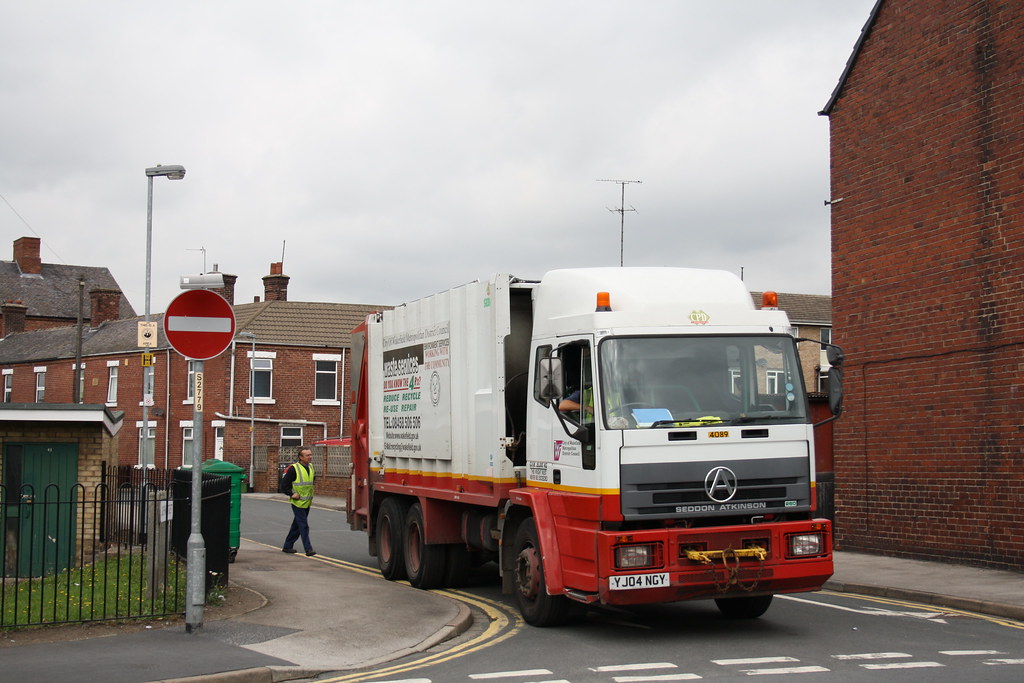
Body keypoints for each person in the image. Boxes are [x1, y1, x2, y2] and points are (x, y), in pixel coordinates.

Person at [281, 447, 317, 556]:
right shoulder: (294, 469)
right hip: (298, 502)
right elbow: (284, 485)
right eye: (307, 455)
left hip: (307, 502)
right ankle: (308, 549)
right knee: (303, 525)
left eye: (310, 455)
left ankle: (287, 546)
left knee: (296, 525)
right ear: (300, 457)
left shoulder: (311, 467)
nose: (310, 457)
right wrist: (292, 494)